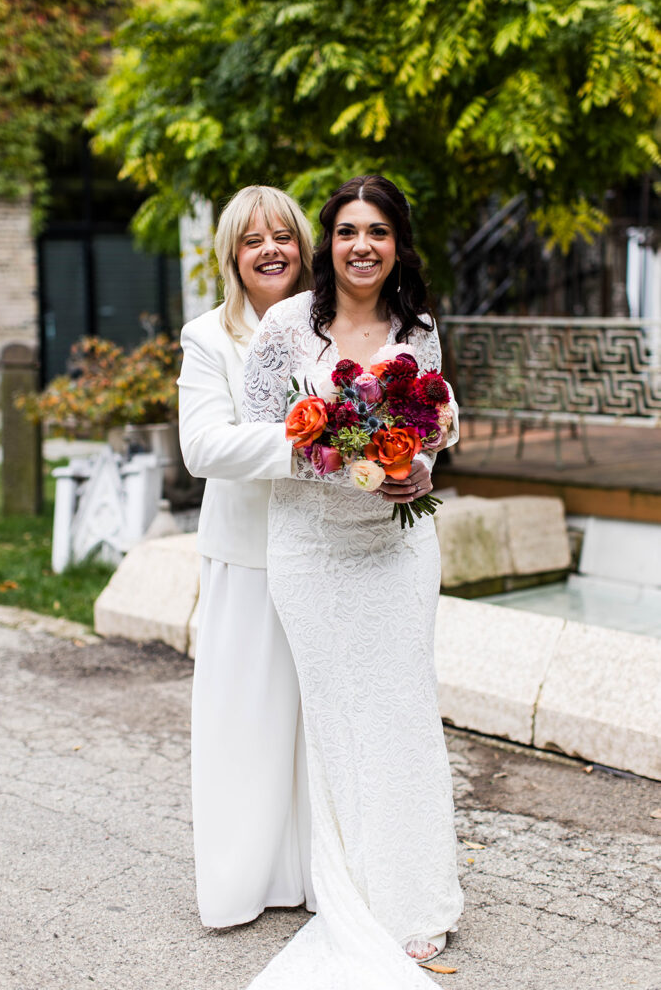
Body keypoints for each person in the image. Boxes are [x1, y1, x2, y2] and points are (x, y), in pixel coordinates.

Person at [177, 185, 435, 930]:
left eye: (283, 237)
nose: (270, 251)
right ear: (230, 253)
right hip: (253, 554)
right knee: (250, 728)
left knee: (332, 723)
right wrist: (313, 445)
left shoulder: (332, 327)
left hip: (345, 551)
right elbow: (202, 447)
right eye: (252, 240)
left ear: (305, 247)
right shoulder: (209, 337)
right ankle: (243, 883)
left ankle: (334, 875)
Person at [241, 175, 464, 989]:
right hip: (309, 550)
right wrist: (332, 451)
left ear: (397, 244)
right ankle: (353, 889)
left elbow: (432, 430)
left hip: (398, 552)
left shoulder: (420, 329)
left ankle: (415, 900)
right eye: (345, 231)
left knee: (402, 712)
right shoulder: (284, 328)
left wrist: (414, 471)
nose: (360, 245)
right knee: (338, 718)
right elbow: (261, 434)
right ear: (325, 243)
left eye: (376, 231)